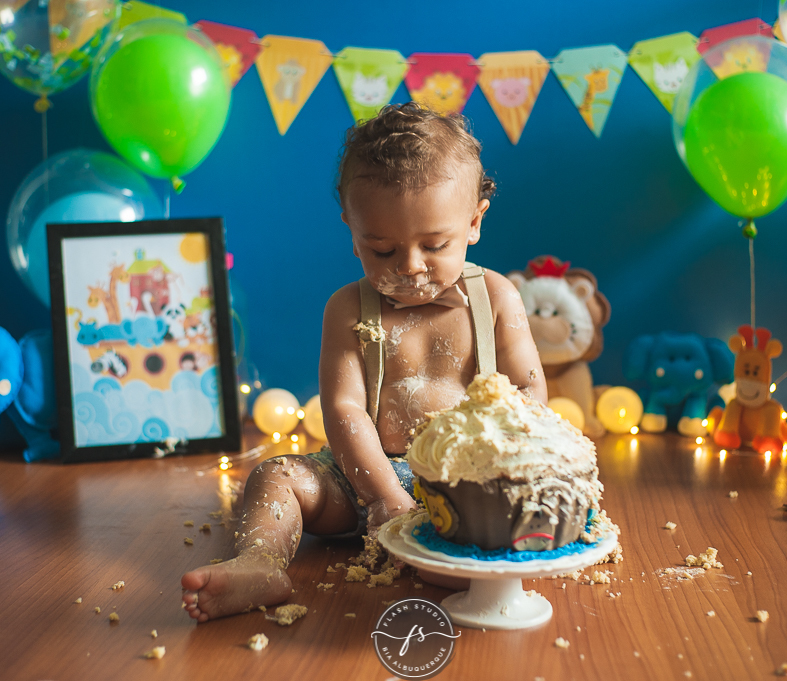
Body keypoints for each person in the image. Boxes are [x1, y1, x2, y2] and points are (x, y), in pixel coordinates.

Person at [181, 102, 547, 622]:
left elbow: (529, 393)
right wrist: (381, 497)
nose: (410, 266)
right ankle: (258, 563)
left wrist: (497, 474)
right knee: (276, 476)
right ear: (353, 233)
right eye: (381, 250)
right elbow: (345, 409)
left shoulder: (497, 299)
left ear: (474, 224)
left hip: (462, 482)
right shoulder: (348, 308)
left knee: (487, 528)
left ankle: (454, 559)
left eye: (435, 244)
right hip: (357, 474)